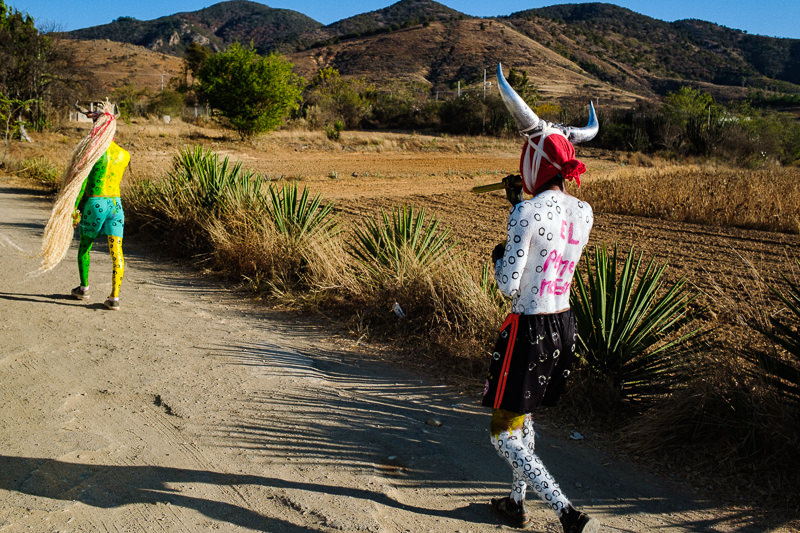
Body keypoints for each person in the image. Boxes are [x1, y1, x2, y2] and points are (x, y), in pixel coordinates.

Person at [482, 64, 600, 533]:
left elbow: (508, 284)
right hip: (563, 324)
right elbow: (549, 255)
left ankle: (566, 511)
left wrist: (499, 252)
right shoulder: (584, 212)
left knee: (502, 432)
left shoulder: (526, 213)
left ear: (534, 161)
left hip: (527, 327)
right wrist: (520, 206)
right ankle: (515, 503)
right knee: (524, 418)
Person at [39, 99, 129, 310]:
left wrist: (74, 209)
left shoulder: (94, 152)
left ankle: (84, 288)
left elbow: (81, 185)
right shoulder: (124, 154)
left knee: (85, 247)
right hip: (116, 205)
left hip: (95, 203)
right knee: (117, 252)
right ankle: (114, 297)